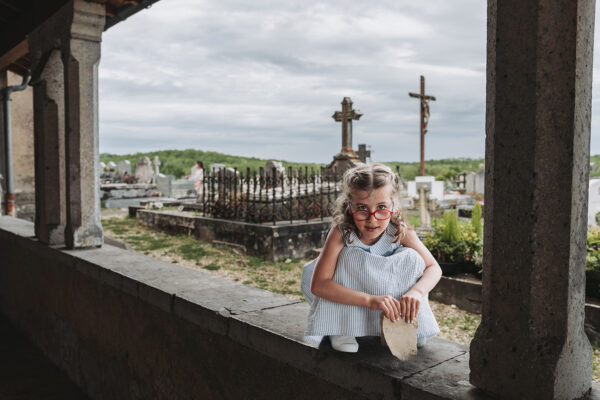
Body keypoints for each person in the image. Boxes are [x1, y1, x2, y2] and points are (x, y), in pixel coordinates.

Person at [301, 163, 441, 353]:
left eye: (382, 207)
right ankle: (340, 328)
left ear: (394, 205)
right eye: (362, 208)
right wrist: (369, 300)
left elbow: (434, 267)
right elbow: (319, 284)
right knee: (349, 257)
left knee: (411, 257)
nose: (372, 219)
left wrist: (416, 292)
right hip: (352, 296)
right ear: (350, 206)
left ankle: (406, 323)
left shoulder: (400, 230)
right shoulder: (342, 233)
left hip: (384, 293)